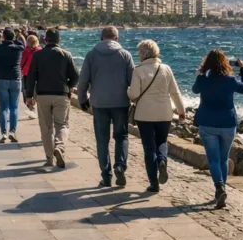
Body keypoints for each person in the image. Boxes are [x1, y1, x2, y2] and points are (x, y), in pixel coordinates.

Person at [77, 26, 135, 188]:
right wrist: (135, 99)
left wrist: (82, 99)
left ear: (101, 38)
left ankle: (106, 175)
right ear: (116, 38)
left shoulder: (92, 55)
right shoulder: (125, 55)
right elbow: (133, 81)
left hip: (99, 103)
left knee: (102, 140)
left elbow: (83, 81)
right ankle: (120, 165)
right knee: (121, 136)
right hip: (120, 103)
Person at [192, 49, 243, 209]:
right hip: (227, 124)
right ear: (225, 63)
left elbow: (194, 90)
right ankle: (221, 189)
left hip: (207, 123)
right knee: (224, 158)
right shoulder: (230, 80)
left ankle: (219, 187)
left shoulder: (202, 79)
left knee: (213, 159)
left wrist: (203, 74)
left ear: (207, 63)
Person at [128, 40, 187, 193]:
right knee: (162, 141)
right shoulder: (165, 68)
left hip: (144, 114)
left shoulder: (138, 70)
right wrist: (181, 111)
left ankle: (154, 183)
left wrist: (127, 91)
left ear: (142, 54)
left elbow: (133, 94)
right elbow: (175, 92)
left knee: (149, 147)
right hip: (164, 113)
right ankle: (162, 160)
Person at [24, 28, 79, 169]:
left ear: (45, 40)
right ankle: (59, 146)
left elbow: (31, 76)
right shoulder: (66, 55)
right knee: (62, 124)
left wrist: (29, 95)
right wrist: (69, 86)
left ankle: (49, 159)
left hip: (42, 95)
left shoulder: (38, 55)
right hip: (61, 94)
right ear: (59, 41)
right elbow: (76, 76)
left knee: (46, 128)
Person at [0, 28, 24, 143]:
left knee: (3, 108)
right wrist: (15, 39)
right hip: (15, 78)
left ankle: (4, 133)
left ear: (3, 37)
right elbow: (21, 43)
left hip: (1, 78)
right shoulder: (18, 48)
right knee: (14, 107)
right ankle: (12, 131)